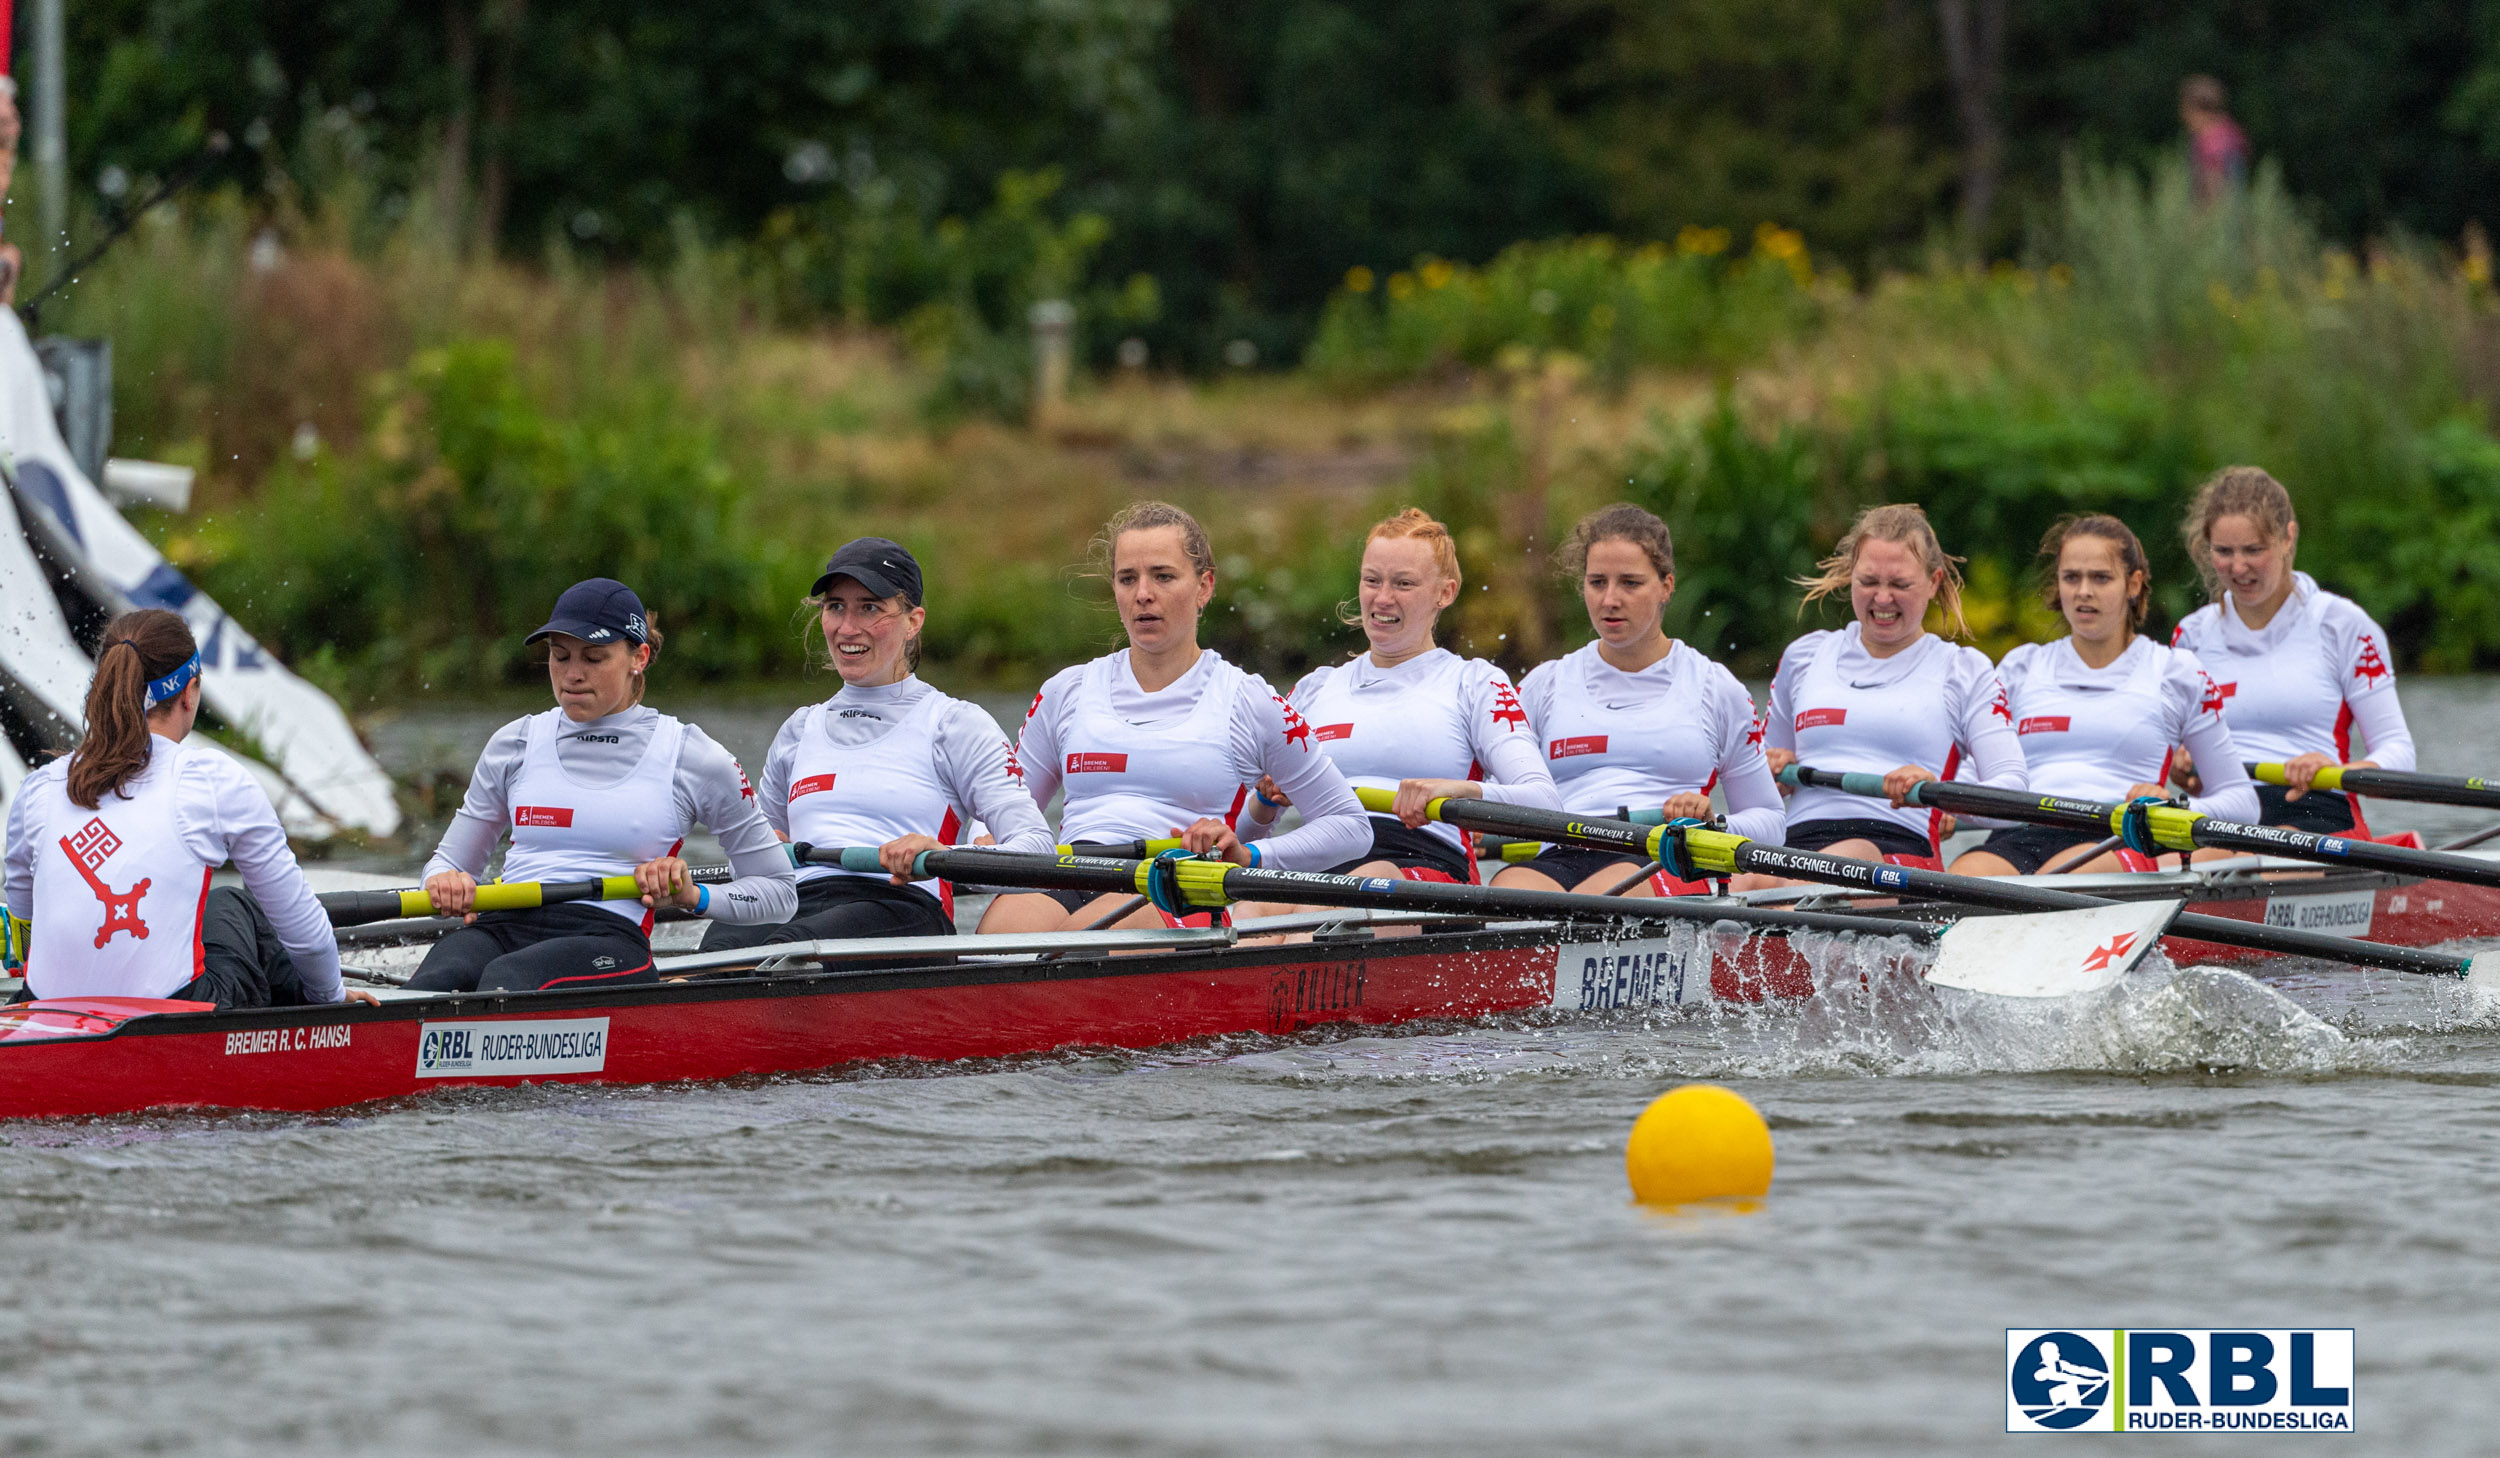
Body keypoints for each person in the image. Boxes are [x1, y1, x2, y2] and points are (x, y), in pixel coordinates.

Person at [981, 501, 1370, 933]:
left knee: (1080, 941)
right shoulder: (1066, 691)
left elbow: (1349, 827)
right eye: (1128, 578)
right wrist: (978, 842)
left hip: (1177, 883)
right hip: (1071, 869)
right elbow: (1008, 811)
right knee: (998, 939)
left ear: (1204, 587)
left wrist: (1249, 855)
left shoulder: (1248, 701)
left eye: (1163, 576)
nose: (1143, 593)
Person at [409, 579, 796, 992]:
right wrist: (444, 883)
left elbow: (779, 893)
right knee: (436, 981)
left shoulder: (693, 757)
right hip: (502, 923)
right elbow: (446, 865)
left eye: (594, 658)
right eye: (560, 657)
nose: (572, 675)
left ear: (639, 658)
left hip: (606, 939)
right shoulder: (515, 743)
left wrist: (693, 896)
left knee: (507, 980)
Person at [2, 608, 372, 1008]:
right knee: (231, 903)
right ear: (190, 692)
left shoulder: (40, 787)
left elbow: (24, 924)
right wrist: (330, 999)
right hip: (175, 1015)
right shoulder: (212, 781)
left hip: (46, 1011)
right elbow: (306, 932)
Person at [700, 539, 1051, 950]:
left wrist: (943, 854)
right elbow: (753, 851)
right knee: (712, 952)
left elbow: (1037, 851)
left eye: (869, 607)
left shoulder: (955, 724)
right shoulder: (799, 730)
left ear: (913, 621)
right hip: (796, 905)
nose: (848, 628)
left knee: (787, 948)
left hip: (900, 908)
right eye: (835, 607)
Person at [1243, 508, 1558, 888]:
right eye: (1372, 580)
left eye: (1404, 584)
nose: (1383, 598)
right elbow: (1243, 840)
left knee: (1369, 881)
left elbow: (1544, 804)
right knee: (1247, 911)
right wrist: (1266, 801)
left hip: (1424, 865)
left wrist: (1457, 791)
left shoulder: (1475, 683)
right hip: (1319, 862)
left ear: (1445, 592)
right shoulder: (1313, 690)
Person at [1491, 504, 1782, 898]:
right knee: (1504, 893)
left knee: (1607, 894)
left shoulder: (1715, 689)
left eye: (1629, 583)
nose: (1610, 599)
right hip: (1563, 850)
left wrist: (1715, 824)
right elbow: (1499, 795)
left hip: (1665, 853)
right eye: (1597, 582)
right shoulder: (1544, 685)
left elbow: (1771, 820)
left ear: (1666, 585)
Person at [1951, 515, 2256, 877]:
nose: (2083, 591)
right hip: (2023, 832)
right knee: (1962, 875)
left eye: (2100, 578)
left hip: (2115, 837)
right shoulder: (2020, 669)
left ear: (2133, 583)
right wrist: (1948, 802)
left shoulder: (2175, 673)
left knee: (2065, 877)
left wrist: (2173, 808)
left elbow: (2242, 802)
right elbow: (1970, 780)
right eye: (2071, 578)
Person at [1753, 503, 2025, 878]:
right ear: (1851, 576)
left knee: (1846, 856)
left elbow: (2013, 791)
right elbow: (1755, 792)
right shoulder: (1805, 657)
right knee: (1740, 877)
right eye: (1869, 582)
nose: (1882, 599)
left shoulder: (1963, 670)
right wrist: (1762, 774)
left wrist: (1943, 790)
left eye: (1899, 584)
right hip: (1793, 849)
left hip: (1893, 852)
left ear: (1934, 582)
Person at [2170, 466, 2414, 835]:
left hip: (2316, 812)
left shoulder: (2342, 626)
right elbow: (2164, 757)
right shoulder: (2191, 636)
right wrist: (2181, 767)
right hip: (2222, 815)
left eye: (2253, 550)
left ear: (2288, 538)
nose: (2238, 567)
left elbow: (2399, 754)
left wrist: (2339, 771)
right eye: (2224, 551)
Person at [2181, 75, 2248, 208]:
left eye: (2185, 108)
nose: (2183, 115)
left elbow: (2214, 191)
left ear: (2198, 110)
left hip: (2216, 217)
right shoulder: (2231, 133)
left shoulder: (2212, 142)